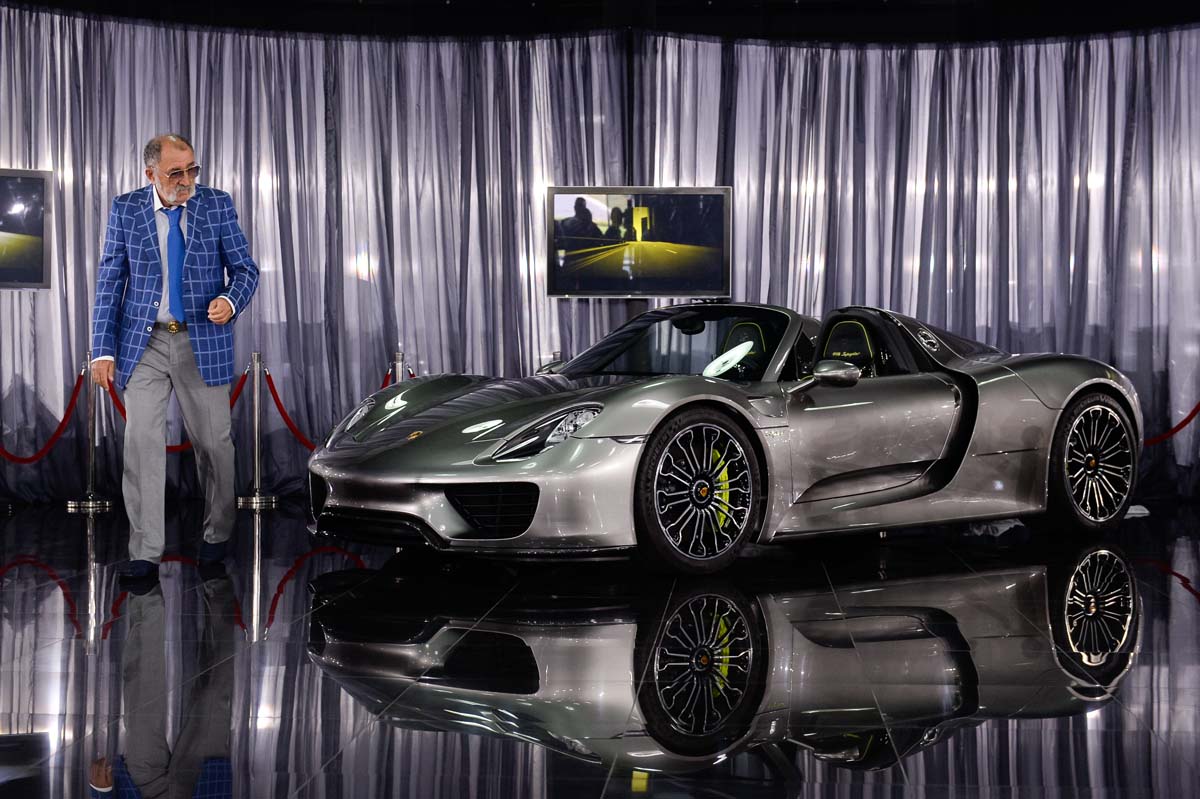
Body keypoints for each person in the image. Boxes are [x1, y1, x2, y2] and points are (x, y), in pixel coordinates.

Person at [90, 134, 259, 579]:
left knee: (215, 446)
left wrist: (231, 300)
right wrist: (102, 350)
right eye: (176, 173)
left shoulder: (217, 204)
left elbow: (245, 270)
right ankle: (145, 551)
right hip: (142, 343)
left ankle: (217, 536)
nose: (187, 180)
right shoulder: (126, 209)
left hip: (201, 339)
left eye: (192, 170)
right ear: (151, 174)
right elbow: (110, 281)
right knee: (141, 446)